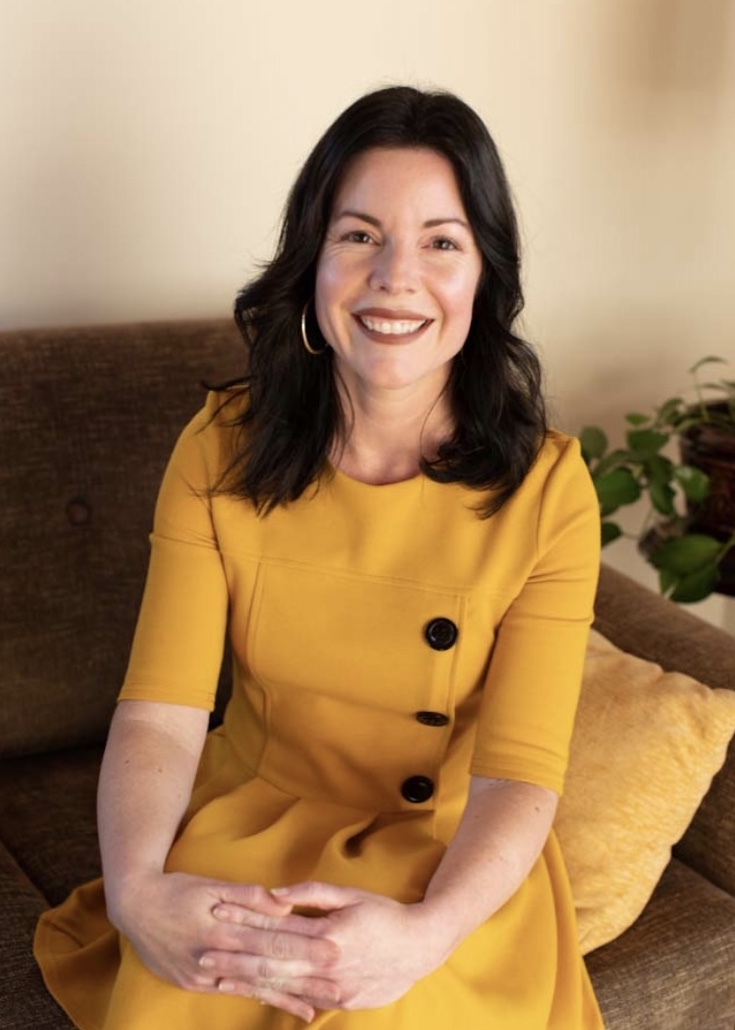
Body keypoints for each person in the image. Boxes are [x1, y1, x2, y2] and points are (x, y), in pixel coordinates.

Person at [34, 85, 604, 1029]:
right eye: (358, 235)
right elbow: (163, 715)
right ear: (311, 262)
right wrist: (136, 893)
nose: (394, 276)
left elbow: (518, 777)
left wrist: (426, 935)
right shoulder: (218, 445)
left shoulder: (549, 490)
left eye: (441, 241)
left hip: (446, 859)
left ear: (483, 280)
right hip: (253, 821)